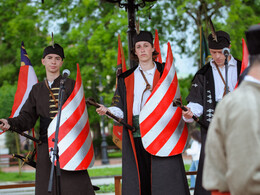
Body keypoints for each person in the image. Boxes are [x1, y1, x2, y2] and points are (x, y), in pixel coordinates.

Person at [96, 31, 190, 195]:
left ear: (153, 48)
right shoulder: (125, 78)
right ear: (135, 51)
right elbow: (119, 106)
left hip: (162, 134)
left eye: (146, 46)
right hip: (136, 133)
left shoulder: (165, 73)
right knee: (141, 178)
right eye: (139, 47)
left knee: (163, 178)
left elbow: (176, 102)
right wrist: (108, 111)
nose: (143, 50)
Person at [0, 43, 95, 195]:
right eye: (49, 58)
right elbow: (27, 118)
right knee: (47, 188)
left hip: (70, 146)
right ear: (43, 61)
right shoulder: (37, 89)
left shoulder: (72, 85)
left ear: (62, 62)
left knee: (74, 187)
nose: (53, 61)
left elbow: (80, 115)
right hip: (45, 146)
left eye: (57, 58)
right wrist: (9, 122)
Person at [182, 30, 242, 195]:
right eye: (213, 52)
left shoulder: (243, 68)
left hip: (239, 125)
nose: (217, 57)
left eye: (220, 52)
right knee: (213, 165)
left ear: (228, 48)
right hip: (212, 126)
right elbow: (196, 102)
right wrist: (190, 111)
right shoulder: (203, 74)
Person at [202, 24, 260, 195]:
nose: (218, 56)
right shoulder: (243, 104)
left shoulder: (232, 103)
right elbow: (245, 179)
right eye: (214, 52)